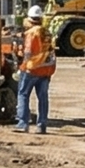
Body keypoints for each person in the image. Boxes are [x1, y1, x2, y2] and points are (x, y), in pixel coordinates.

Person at [15, 7, 56, 135]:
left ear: (29, 19)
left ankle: (23, 124)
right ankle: (41, 126)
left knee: (23, 94)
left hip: (31, 69)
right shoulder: (47, 32)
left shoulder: (31, 33)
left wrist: (22, 64)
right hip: (46, 70)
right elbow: (50, 51)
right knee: (43, 98)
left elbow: (27, 52)